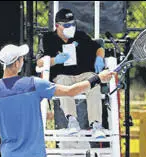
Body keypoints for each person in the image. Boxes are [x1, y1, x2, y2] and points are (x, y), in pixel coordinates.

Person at [36, 8, 106, 139]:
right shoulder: (48, 39)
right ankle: (72, 121)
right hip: (63, 76)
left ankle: (96, 124)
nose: (71, 27)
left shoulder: (80, 36)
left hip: (83, 75)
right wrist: (55, 60)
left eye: (73, 24)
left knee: (94, 80)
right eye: (67, 25)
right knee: (63, 84)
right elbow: (39, 62)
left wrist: (99, 58)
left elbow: (99, 48)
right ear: (57, 26)